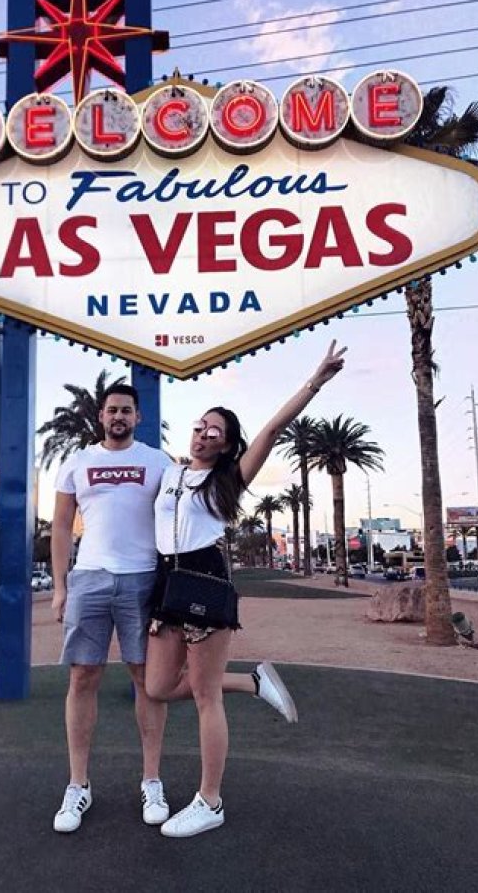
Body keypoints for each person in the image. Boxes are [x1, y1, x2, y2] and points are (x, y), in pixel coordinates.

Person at [146, 340, 347, 838]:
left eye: (214, 431)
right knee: (158, 688)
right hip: (166, 583)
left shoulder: (228, 480)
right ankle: (254, 683)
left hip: (205, 580)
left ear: (227, 445)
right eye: (200, 425)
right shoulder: (169, 472)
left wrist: (315, 382)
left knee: (205, 696)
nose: (203, 433)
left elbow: (273, 430)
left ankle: (209, 801)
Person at [50, 383, 173, 833]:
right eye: (111, 410)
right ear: (100, 416)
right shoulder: (77, 463)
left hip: (143, 579)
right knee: (83, 677)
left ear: (138, 417)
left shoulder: (159, 462)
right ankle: (78, 785)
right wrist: (60, 587)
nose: (118, 416)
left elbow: (176, 519)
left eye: (126, 410)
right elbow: (61, 526)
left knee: (146, 679)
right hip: (89, 578)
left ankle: (152, 781)